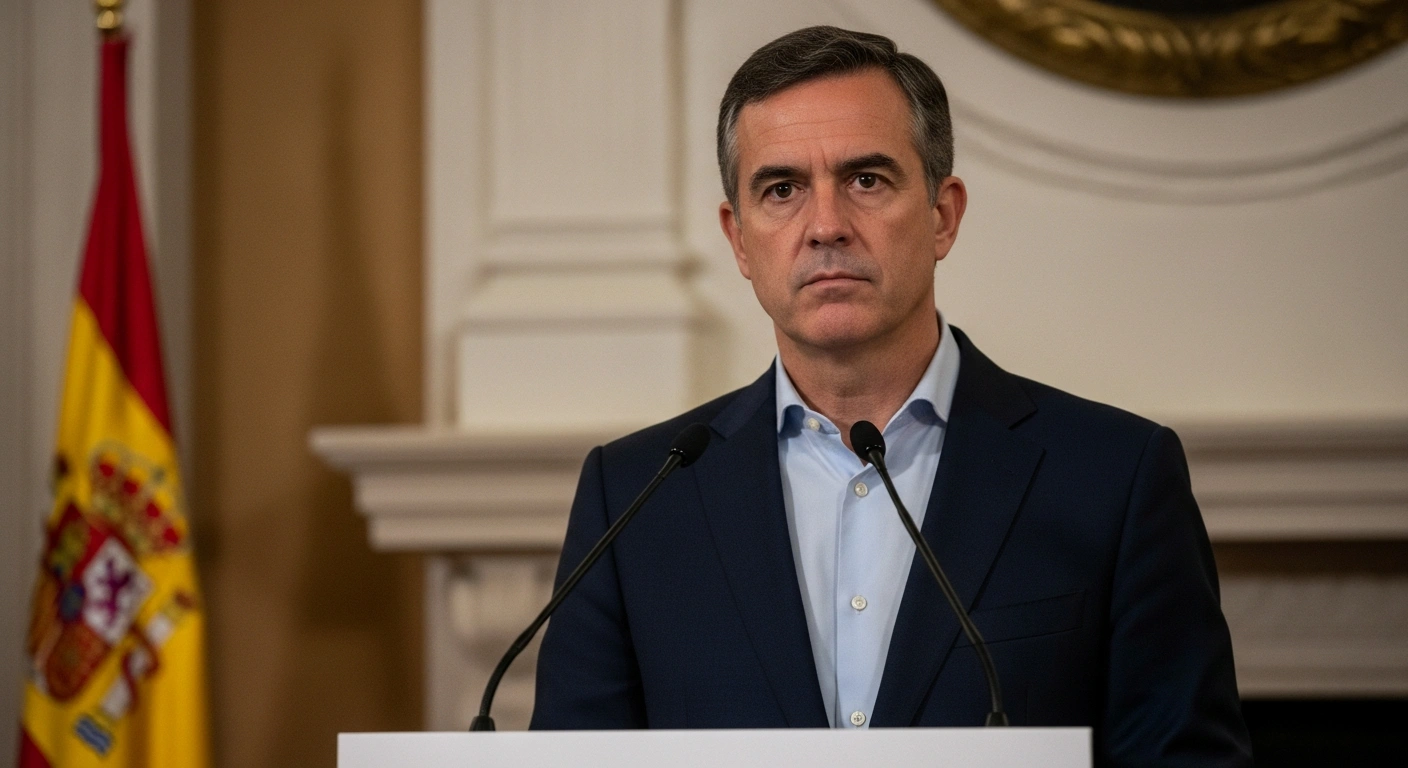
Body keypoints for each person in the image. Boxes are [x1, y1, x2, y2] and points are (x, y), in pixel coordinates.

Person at [531, 25, 1252, 766]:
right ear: (740, 240)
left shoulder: (1116, 477)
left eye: (866, 180)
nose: (826, 226)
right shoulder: (635, 499)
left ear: (943, 214)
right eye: (781, 190)